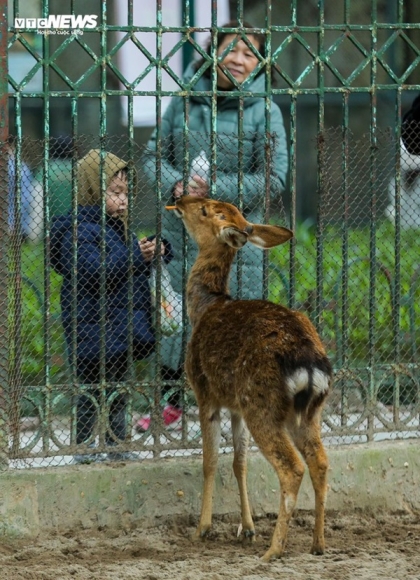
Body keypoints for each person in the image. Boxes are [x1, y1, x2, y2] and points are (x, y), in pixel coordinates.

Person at [139, 21, 288, 431]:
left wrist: (216, 189)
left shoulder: (267, 110)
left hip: (231, 240)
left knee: (232, 321)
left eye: (250, 53)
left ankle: (234, 410)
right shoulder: (184, 101)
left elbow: (274, 180)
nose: (239, 60)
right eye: (232, 49)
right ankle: (170, 406)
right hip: (183, 235)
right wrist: (174, 183)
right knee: (177, 320)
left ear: (261, 63)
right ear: (213, 51)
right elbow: (153, 157)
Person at [51, 149, 173, 463]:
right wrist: (135, 256)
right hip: (90, 329)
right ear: (93, 191)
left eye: (126, 194)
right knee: (90, 392)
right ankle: (83, 446)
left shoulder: (117, 230)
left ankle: (117, 444)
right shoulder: (78, 231)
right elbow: (94, 272)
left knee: (119, 389)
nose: (123, 200)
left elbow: (124, 273)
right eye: (115, 193)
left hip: (118, 329)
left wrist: (152, 253)